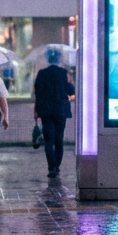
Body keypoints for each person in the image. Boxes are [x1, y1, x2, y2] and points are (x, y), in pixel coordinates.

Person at [33, 49, 74, 177]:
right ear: (58, 60)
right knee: (59, 139)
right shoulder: (63, 73)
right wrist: (70, 80)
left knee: (48, 140)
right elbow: (71, 90)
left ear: (48, 60)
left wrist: (36, 110)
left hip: (46, 111)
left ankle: (51, 167)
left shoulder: (42, 73)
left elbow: (37, 93)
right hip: (60, 110)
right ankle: (57, 166)